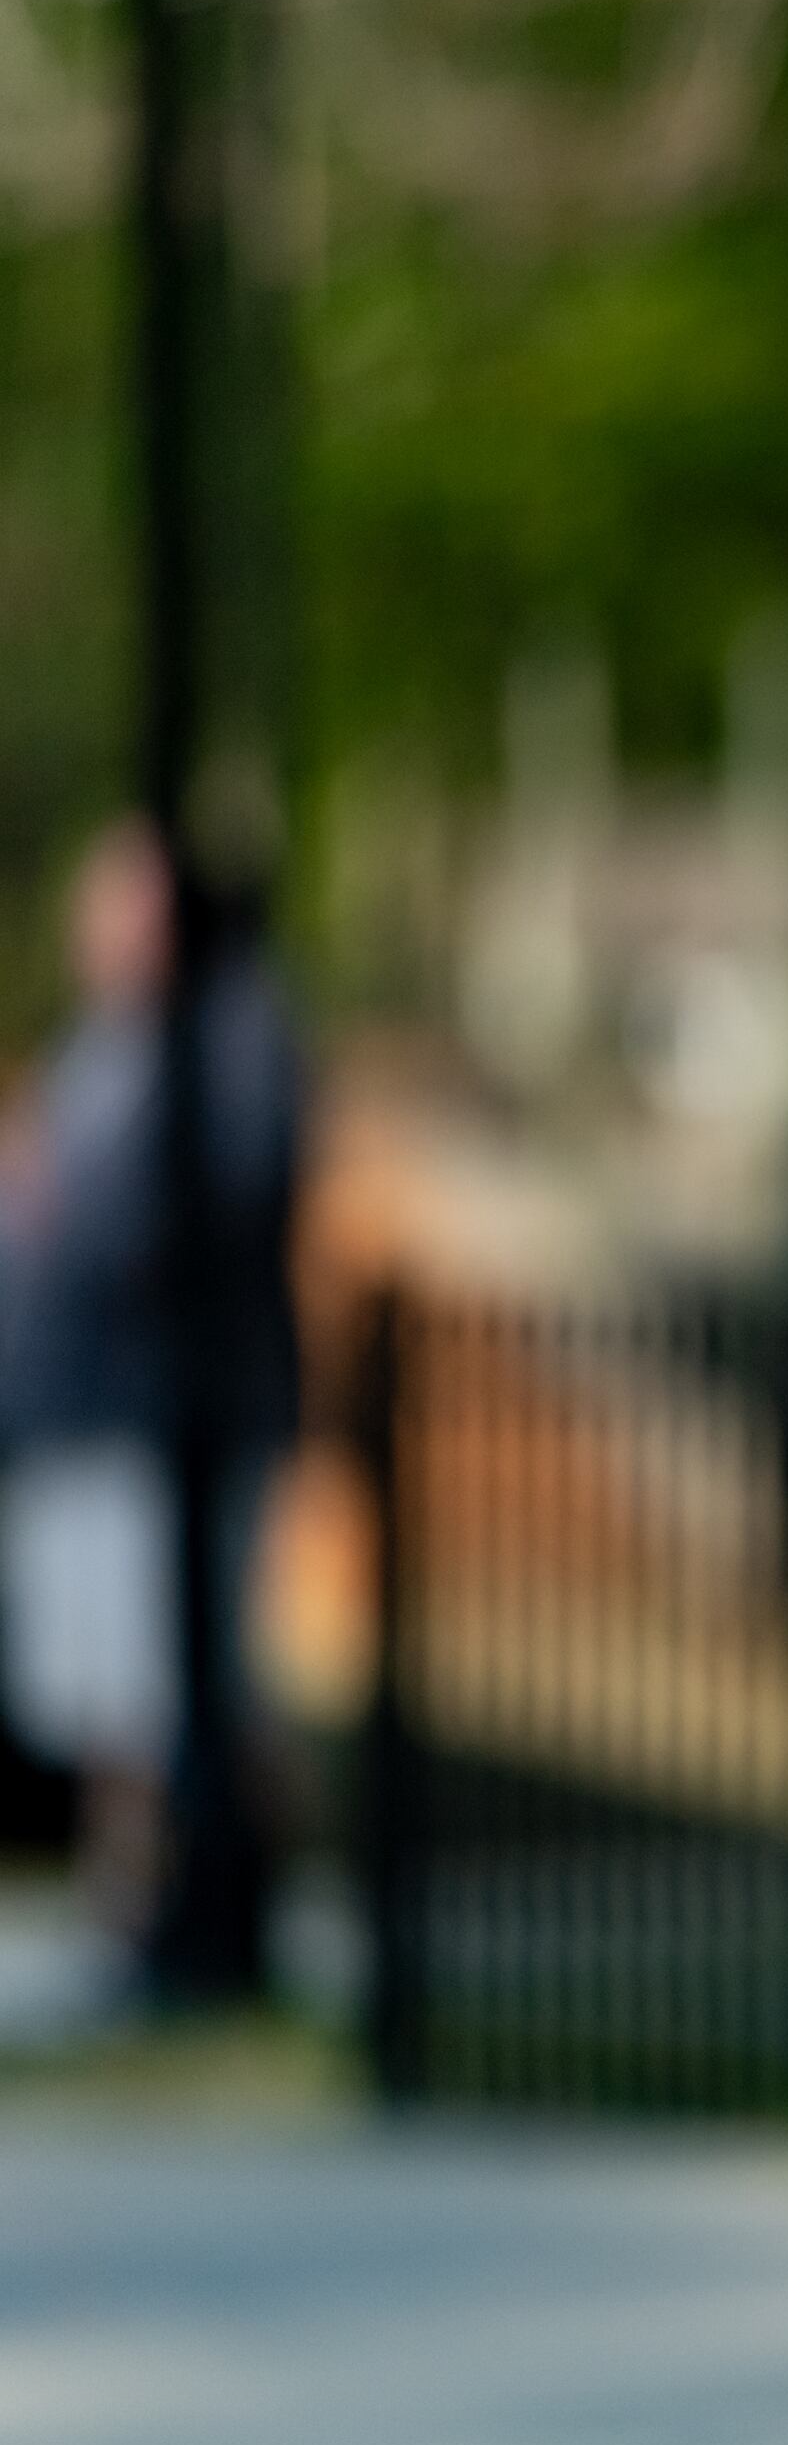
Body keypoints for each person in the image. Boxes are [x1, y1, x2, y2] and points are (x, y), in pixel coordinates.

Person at [0, 821, 301, 1982]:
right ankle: (135, 1914)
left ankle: (208, 1911)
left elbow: (168, 1211)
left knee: (173, 1695)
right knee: (109, 1701)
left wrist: (49, 1199)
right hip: (83, 1421)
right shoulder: (108, 1045)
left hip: (162, 1426)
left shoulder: (230, 1036)